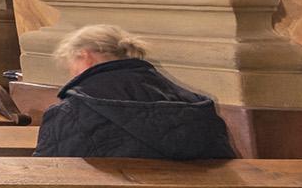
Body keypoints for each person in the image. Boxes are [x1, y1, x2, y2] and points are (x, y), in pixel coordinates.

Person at [34, 24, 235, 160]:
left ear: (84, 56)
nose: (71, 73)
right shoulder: (192, 102)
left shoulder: (71, 111)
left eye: (71, 64)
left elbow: (49, 174)